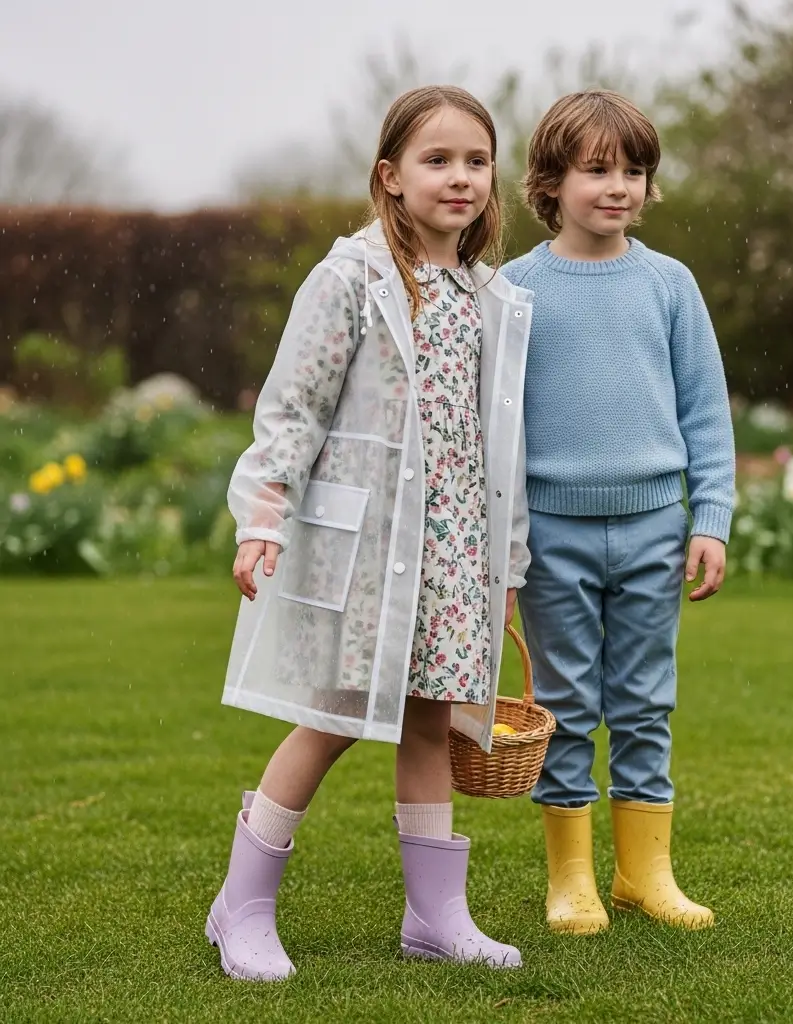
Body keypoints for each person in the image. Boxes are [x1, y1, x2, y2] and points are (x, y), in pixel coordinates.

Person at [207, 85, 533, 979]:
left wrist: (505, 566)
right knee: (334, 718)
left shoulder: (488, 296)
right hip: (369, 552)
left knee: (431, 723)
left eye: (476, 160)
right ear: (391, 176)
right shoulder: (350, 278)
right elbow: (294, 408)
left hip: (455, 555)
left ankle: (435, 917)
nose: (460, 177)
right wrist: (263, 517)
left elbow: (501, 447)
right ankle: (242, 906)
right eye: (437, 160)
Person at [502, 90, 735, 935]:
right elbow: (498, 429)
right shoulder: (514, 289)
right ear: (550, 182)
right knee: (564, 703)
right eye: (597, 170)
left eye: (634, 171)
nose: (618, 187)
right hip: (550, 535)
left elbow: (705, 412)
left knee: (644, 700)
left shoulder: (669, 285)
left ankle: (645, 873)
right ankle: (571, 879)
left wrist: (710, 518)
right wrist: (503, 543)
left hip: (654, 529)